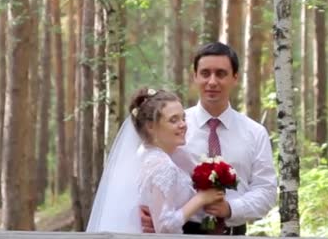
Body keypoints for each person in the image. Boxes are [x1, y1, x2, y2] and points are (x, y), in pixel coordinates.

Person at [141, 42, 278, 235]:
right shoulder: (171, 127)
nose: (212, 82)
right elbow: (146, 170)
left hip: (233, 233)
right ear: (195, 76)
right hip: (183, 233)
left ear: (235, 78)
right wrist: (144, 209)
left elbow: (267, 191)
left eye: (221, 74)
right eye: (205, 73)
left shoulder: (255, 133)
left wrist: (230, 208)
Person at [86, 88, 224, 233]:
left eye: (183, 118)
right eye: (173, 120)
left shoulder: (145, 153)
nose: (183, 124)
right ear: (151, 126)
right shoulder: (162, 165)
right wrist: (200, 199)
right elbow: (164, 227)